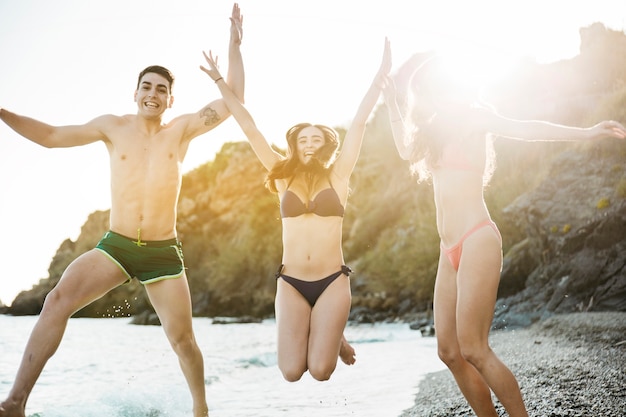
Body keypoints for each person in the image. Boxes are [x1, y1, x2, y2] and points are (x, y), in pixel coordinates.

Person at [0, 4, 245, 417]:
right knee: (57, 300)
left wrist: (234, 44)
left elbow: (235, 99)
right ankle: (14, 403)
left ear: (170, 99)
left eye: (161, 89)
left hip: (163, 252)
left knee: (182, 340)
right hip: (116, 246)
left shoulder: (182, 129)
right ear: (135, 93)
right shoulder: (112, 127)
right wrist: (2, 111)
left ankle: (201, 410)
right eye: (146, 87)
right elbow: (51, 136)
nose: (153, 94)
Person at [382, 52, 626, 417]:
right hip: (446, 249)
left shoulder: (476, 117)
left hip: (477, 238)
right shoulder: (432, 130)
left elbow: (531, 129)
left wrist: (587, 132)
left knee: (474, 349)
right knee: (448, 351)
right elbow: (404, 149)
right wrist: (391, 101)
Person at [199, 38, 391, 382]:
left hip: (332, 280)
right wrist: (219, 81)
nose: (309, 144)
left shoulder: (339, 175)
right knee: (290, 372)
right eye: (303, 140)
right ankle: (331, 332)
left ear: (327, 147)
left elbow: (360, 123)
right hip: (291, 282)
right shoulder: (282, 179)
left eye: (316, 139)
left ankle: (333, 334)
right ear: (294, 146)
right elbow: (248, 125)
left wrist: (379, 78)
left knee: (320, 371)